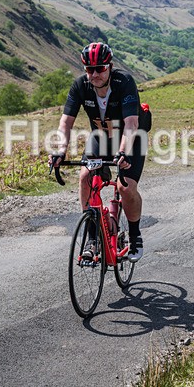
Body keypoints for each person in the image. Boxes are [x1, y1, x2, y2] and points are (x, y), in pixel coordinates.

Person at [48, 43, 146, 262]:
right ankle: (92, 237)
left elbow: (131, 123)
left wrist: (123, 153)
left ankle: (134, 234)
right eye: (89, 69)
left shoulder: (124, 82)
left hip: (131, 138)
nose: (94, 74)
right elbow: (66, 122)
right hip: (100, 138)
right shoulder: (80, 86)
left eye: (100, 68)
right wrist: (60, 151)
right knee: (84, 177)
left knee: (125, 186)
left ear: (110, 66)